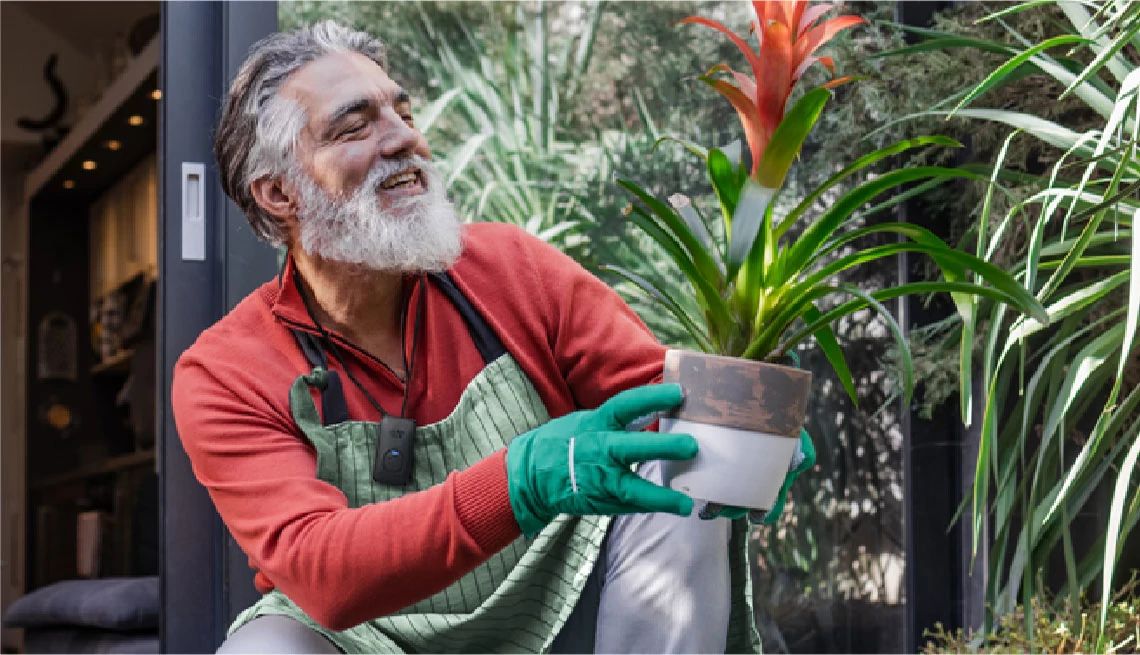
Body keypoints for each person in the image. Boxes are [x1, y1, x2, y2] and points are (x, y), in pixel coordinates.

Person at [173, 20, 767, 654]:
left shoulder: (511, 267)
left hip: (565, 604)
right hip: (365, 637)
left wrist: (744, 438)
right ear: (278, 193)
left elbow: (658, 404)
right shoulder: (224, 371)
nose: (404, 139)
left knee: (679, 465)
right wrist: (519, 480)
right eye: (355, 126)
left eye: (402, 113)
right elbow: (322, 574)